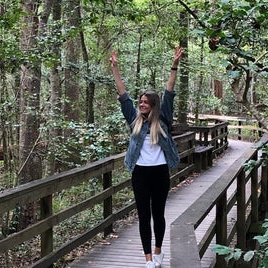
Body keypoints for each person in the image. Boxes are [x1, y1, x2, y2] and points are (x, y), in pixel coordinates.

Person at [109, 46, 182, 268]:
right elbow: (124, 96)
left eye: (145, 102)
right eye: (140, 101)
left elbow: (169, 91)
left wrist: (174, 65)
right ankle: (148, 258)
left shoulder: (163, 118)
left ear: (153, 104)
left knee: (158, 214)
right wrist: (115, 69)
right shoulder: (134, 119)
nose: (141, 104)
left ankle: (159, 250)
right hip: (140, 172)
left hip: (160, 171)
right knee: (143, 216)